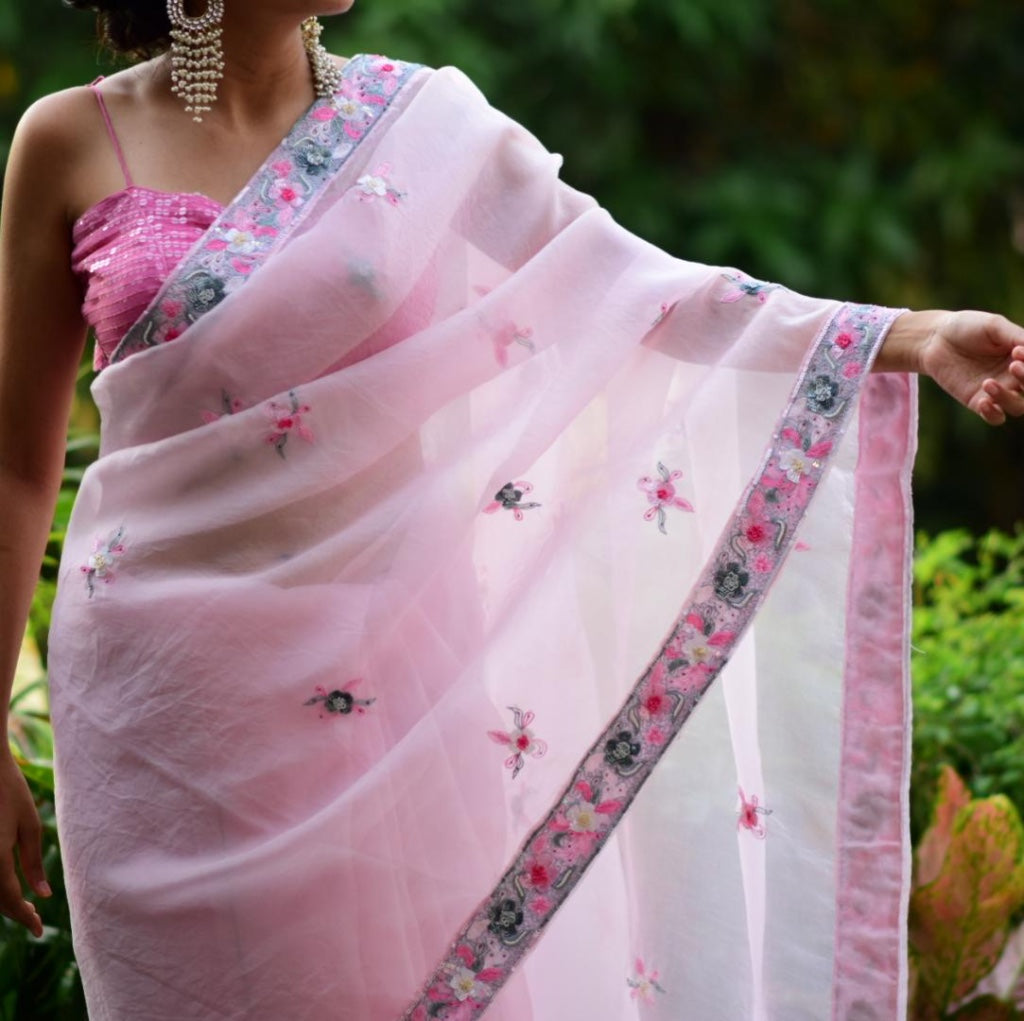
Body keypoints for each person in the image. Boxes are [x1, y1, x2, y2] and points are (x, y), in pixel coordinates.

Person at [1, 2, 1022, 1018]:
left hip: (383, 692)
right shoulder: (67, 139)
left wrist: (911, 335)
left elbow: (643, 295)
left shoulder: (424, 127)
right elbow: (14, 465)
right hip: (158, 708)